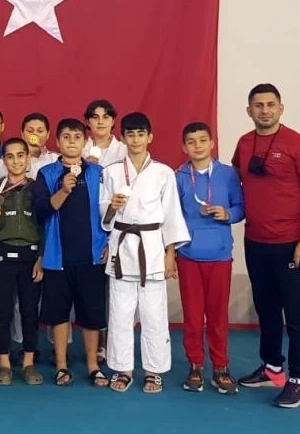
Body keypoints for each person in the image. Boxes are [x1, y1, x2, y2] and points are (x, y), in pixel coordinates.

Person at [232, 84, 300, 409]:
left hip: (290, 244)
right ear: (249, 110)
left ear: (281, 108)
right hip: (255, 242)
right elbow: (234, 180)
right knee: (266, 308)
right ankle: (272, 367)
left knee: (296, 313)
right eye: (258, 105)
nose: (265, 110)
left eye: (271, 104)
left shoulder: (298, 144)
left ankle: (298, 380)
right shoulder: (244, 143)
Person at [102, 112, 190, 394]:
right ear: (123, 138)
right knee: (119, 314)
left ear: (150, 137)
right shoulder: (111, 171)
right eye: (130, 134)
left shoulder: (164, 173)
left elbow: (172, 215)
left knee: (154, 314)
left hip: (152, 247)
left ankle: (153, 371)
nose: (136, 139)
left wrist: (170, 253)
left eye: (141, 134)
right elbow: (102, 213)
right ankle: (123, 369)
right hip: (122, 245)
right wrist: (112, 207)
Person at [34, 118, 109, 388]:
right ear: (58, 142)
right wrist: (64, 189)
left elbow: (108, 211)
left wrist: (108, 242)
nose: (72, 141)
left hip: (91, 255)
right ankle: (61, 365)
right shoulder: (47, 173)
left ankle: (92, 366)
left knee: (91, 315)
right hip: (58, 256)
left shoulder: (98, 173)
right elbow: (41, 211)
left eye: (77, 137)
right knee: (59, 314)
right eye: (66, 137)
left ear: (85, 141)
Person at [175, 122, 245, 394]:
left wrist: (228, 214)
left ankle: (220, 367)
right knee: (193, 316)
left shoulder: (228, 174)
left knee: (217, 316)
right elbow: (172, 215)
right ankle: (195, 364)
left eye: (203, 140)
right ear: (184, 147)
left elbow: (241, 207)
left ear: (212, 143)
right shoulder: (179, 176)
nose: (198, 146)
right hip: (189, 255)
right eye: (191, 142)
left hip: (220, 255)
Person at [0, 112, 61, 354]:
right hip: (7, 246)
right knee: (6, 305)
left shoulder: (54, 163)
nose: (35, 135)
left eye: (40, 130)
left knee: (36, 303)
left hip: (40, 240)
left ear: (48, 134)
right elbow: (7, 180)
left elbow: (49, 209)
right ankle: (8, 349)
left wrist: (42, 254)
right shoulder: (3, 167)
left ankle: (42, 349)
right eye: (30, 131)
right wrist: (26, 154)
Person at [0, 138, 44, 386]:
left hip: (31, 257)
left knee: (30, 311)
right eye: (10, 156)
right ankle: (4, 364)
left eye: (20, 155)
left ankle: (28, 362)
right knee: (2, 310)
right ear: (4, 161)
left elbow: (46, 225)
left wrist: (41, 257)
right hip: (2, 257)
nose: (16, 161)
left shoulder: (38, 189)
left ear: (28, 159)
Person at [82, 99, 128, 362]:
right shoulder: (79, 148)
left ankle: (112, 343)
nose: (100, 121)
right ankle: (96, 343)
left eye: (106, 116)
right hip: (88, 226)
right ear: (88, 122)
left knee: (117, 292)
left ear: (113, 121)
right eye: (95, 116)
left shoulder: (124, 151)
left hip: (120, 227)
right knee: (95, 290)